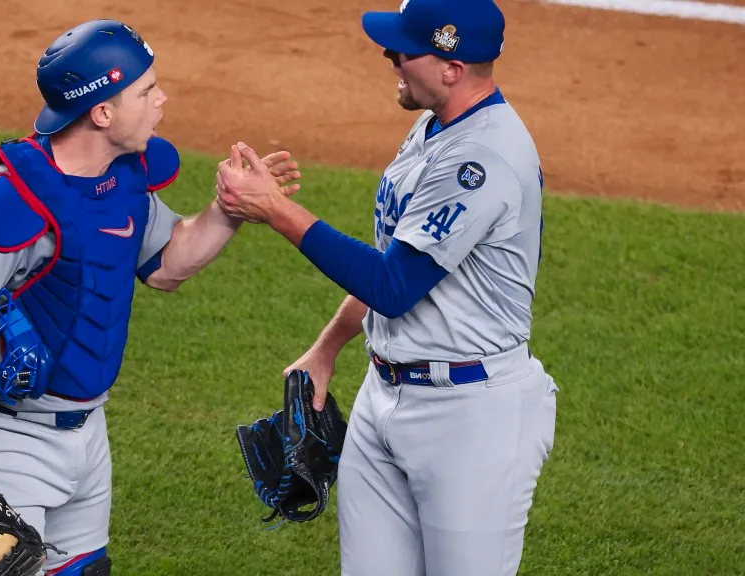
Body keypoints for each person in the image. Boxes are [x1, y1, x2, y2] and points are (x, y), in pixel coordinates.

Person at [0, 19, 300, 575]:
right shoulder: (14, 201)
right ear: (102, 112)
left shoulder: (122, 177)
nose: (162, 101)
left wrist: (229, 211)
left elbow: (166, 266)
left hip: (89, 436)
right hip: (10, 443)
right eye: (146, 91)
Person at [214, 0, 558, 574]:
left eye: (404, 49)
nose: (389, 57)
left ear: (452, 66)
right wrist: (328, 348)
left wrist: (275, 210)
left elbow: (395, 285)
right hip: (384, 395)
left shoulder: (482, 156)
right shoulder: (433, 127)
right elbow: (394, 258)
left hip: (469, 417)